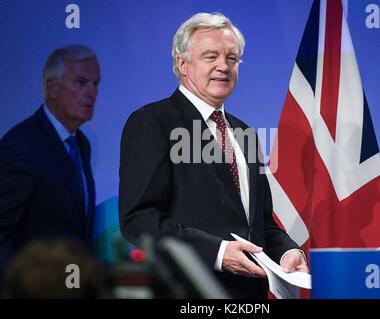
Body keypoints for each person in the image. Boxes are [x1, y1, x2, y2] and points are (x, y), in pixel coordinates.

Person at [118, 13, 308, 298]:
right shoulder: (153, 122)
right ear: (183, 64)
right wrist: (219, 253)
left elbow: (260, 225)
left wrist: (286, 252)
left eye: (232, 58)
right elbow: (139, 219)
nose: (224, 66)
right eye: (211, 57)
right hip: (189, 293)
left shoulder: (245, 133)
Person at [0, 45, 100, 279]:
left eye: (96, 84)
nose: (92, 92)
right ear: (52, 87)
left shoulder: (81, 143)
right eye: (81, 82)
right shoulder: (23, 144)